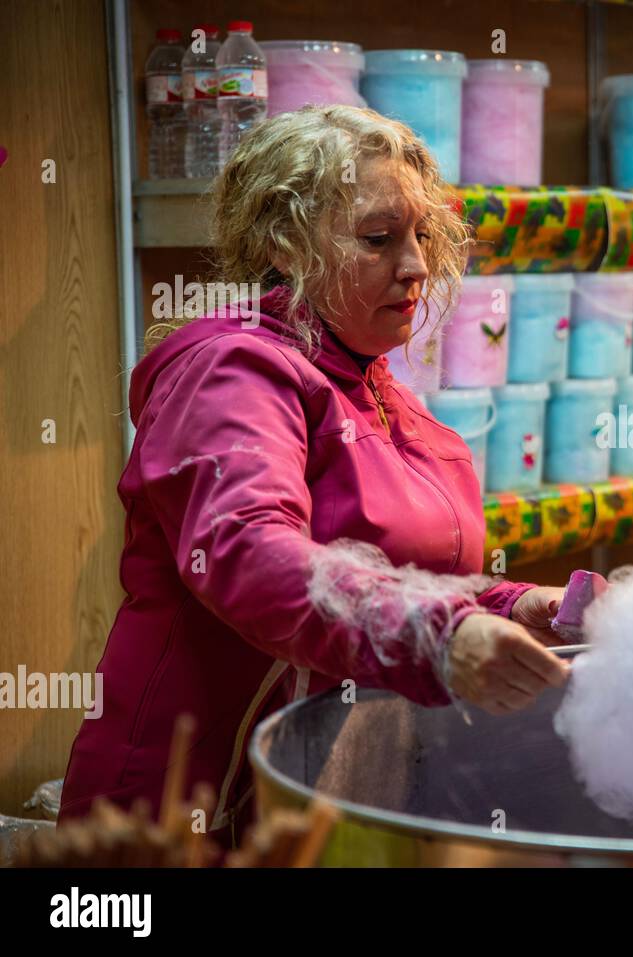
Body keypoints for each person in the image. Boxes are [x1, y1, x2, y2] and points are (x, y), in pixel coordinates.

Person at [60, 106, 570, 840]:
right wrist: (438, 638)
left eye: (422, 235)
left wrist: (511, 604)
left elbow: (394, 573)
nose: (417, 264)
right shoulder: (232, 370)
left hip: (310, 796)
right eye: (378, 238)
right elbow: (250, 553)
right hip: (181, 811)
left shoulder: (388, 400)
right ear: (285, 244)